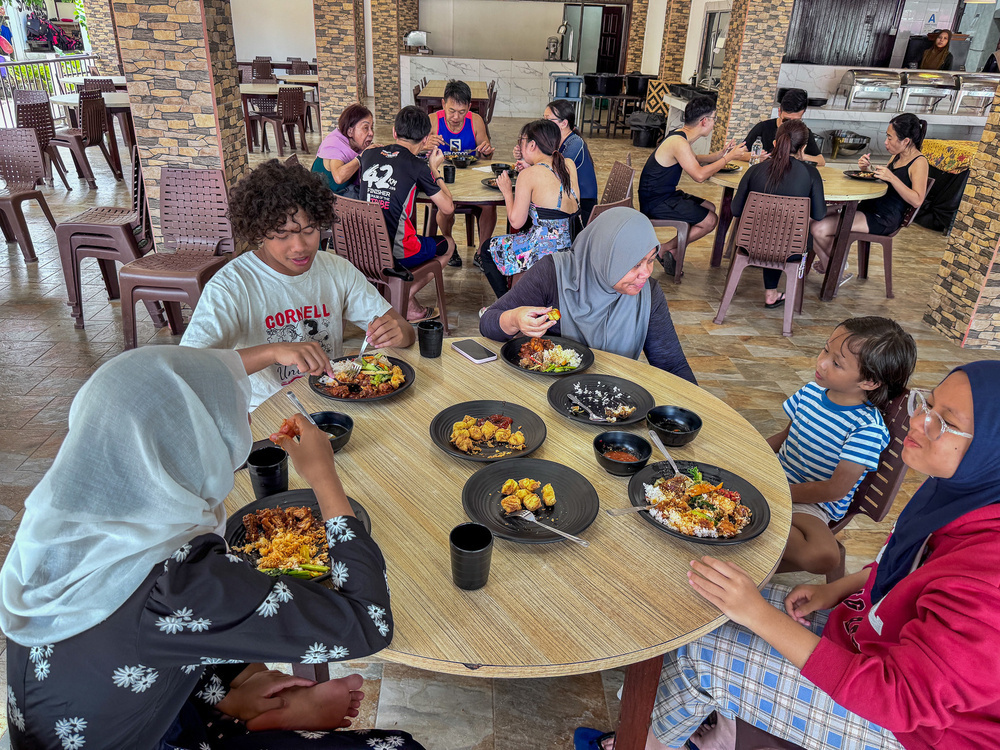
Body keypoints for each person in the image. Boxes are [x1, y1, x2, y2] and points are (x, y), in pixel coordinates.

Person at [0, 346, 426, 750]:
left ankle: (242, 700)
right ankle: (243, 709)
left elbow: (133, 641)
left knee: (182, 639)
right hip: (148, 737)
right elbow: (369, 623)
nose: (242, 419)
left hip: (95, 710)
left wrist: (226, 689)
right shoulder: (179, 582)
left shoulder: (58, 521)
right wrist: (324, 478)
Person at [637, 359, 1000, 750]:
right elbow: (911, 571)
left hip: (915, 732)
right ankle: (675, 723)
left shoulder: (988, 574)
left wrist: (757, 614)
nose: (917, 422)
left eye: (943, 422)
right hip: (864, 634)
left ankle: (642, 741)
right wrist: (839, 589)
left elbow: (900, 699)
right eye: (925, 404)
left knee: (700, 649)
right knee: (703, 608)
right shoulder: (962, 495)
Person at [181, 159, 414, 411]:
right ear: (259, 232)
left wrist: (398, 333)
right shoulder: (231, 286)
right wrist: (273, 351)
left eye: (310, 229)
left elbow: (405, 331)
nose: (300, 246)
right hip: (267, 414)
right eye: (282, 234)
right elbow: (189, 369)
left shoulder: (337, 270)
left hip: (333, 404)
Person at [480, 207, 697, 385]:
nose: (646, 273)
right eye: (634, 264)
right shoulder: (554, 274)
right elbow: (489, 322)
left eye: (650, 260)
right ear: (605, 256)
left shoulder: (648, 295)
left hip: (612, 401)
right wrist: (515, 318)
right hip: (546, 396)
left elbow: (672, 366)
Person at [769, 317, 916, 575]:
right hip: (775, 478)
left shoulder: (866, 428)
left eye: (836, 363)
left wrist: (777, 493)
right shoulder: (810, 393)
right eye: (826, 349)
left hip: (812, 504)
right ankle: (757, 527)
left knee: (824, 556)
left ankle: (755, 533)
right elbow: (785, 436)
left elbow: (835, 489)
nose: (822, 362)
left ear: (869, 382)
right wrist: (751, 457)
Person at [358, 105, 456, 322]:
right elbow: (448, 208)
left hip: (364, 248)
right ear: (425, 139)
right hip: (397, 252)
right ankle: (401, 298)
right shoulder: (418, 167)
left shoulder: (368, 154)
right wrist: (434, 168)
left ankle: (406, 304)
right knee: (448, 245)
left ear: (394, 132)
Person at [637, 95, 748, 276]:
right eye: (714, 119)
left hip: (663, 195)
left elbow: (694, 159)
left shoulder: (680, 136)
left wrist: (721, 154)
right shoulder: (678, 142)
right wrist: (729, 158)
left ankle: (673, 251)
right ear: (704, 121)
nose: (714, 123)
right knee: (710, 220)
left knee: (709, 207)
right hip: (657, 201)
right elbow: (699, 175)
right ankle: (664, 248)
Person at [811, 113, 929, 276]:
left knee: (818, 228)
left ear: (906, 141)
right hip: (869, 207)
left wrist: (892, 178)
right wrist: (867, 170)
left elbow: (917, 200)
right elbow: (884, 182)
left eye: (890, 138)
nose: (886, 142)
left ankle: (834, 270)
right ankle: (833, 266)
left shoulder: (919, 162)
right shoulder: (897, 156)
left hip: (884, 217)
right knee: (810, 218)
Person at [479, 119, 580, 299]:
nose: (520, 145)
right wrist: (531, 166)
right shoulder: (569, 165)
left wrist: (507, 191)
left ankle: (506, 304)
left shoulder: (529, 175)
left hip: (543, 250)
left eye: (521, 141)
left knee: (487, 250)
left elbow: (516, 221)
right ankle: (517, 297)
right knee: (518, 239)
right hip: (570, 245)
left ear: (532, 144)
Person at [731, 120, 826, 307]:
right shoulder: (810, 174)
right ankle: (774, 295)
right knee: (784, 231)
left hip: (751, 243)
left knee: (772, 227)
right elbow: (820, 214)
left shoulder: (755, 170)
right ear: (803, 147)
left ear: (775, 143)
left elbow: (735, 210)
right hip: (792, 250)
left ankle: (771, 293)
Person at [425, 79, 497, 268]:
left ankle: (481, 252)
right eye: (451, 111)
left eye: (462, 112)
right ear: (443, 104)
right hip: (442, 179)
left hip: (471, 178)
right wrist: (425, 145)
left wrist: (486, 151)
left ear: (469, 107)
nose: (456, 117)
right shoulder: (433, 121)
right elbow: (415, 150)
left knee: (489, 206)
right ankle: (450, 245)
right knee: (444, 208)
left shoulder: (476, 121)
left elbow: (485, 157)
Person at [514, 99, 598, 224]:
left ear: (564, 123)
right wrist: (525, 154)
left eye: (548, 119)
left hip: (581, 208)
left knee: (527, 215)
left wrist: (530, 165)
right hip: (564, 202)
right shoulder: (555, 141)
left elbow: (554, 172)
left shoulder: (575, 142)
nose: (544, 123)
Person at [739, 88, 826, 167]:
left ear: (803, 114)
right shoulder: (763, 128)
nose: (790, 125)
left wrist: (803, 157)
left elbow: (821, 161)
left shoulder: (803, 132)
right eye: (786, 120)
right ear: (779, 111)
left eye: (795, 121)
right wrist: (755, 156)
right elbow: (738, 153)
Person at [311, 103, 374, 198]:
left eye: (372, 128)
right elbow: (339, 177)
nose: (371, 133)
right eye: (366, 128)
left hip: (337, 195)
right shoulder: (335, 145)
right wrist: (362, 157)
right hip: (320, 199)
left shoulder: (356, 147)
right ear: (350, 132)